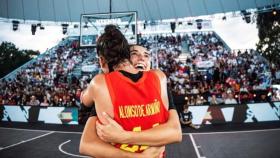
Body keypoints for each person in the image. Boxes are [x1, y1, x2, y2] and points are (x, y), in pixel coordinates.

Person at [79, 25, 182, 158]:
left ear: (101, 61)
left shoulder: (101, 85)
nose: (141, 58)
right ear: (127, 57)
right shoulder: (159, 78)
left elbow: (175, 133)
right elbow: (86, 144)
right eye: (135, 54)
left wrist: (124, 137)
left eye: (146, 55)